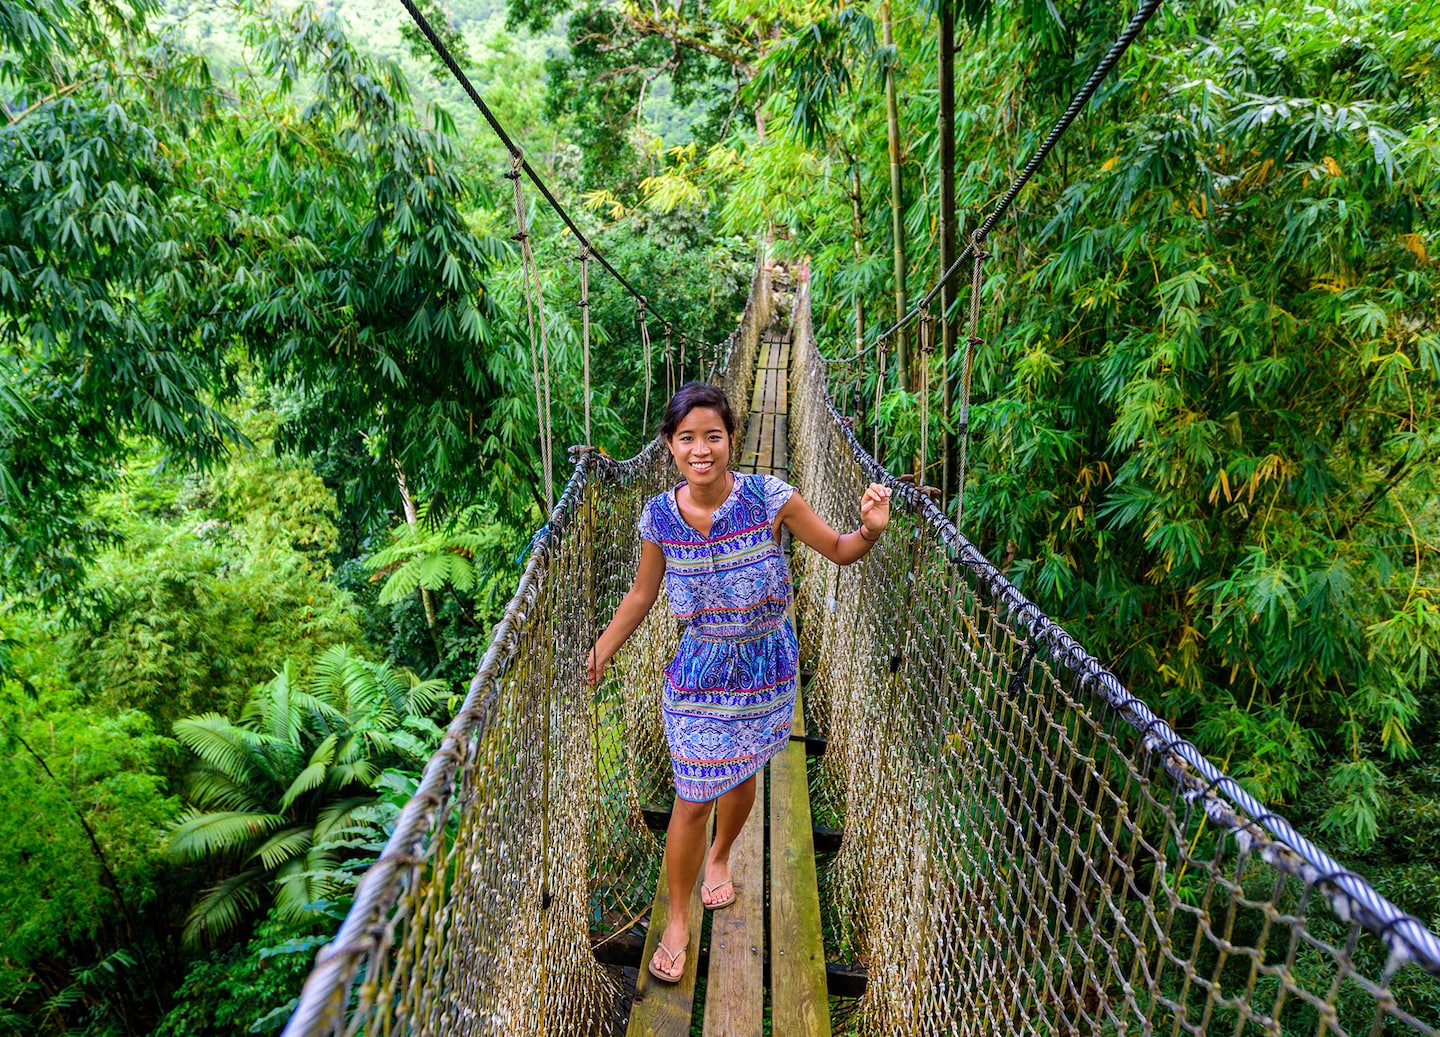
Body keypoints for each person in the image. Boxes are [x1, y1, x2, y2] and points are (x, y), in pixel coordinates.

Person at [585, 382, 892, 984]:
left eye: (712, 437)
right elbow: (643, 594)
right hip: (698, 671)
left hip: (765, 669)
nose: (701, 450)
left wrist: (871, 529)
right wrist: (599, 652)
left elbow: (838, 548)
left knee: (743, 776)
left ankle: (720, 858)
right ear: (670, 446)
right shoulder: (657, 516)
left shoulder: (769, 499)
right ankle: (677, 920)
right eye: (686, 439)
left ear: (732, 438)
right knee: (694, 795)